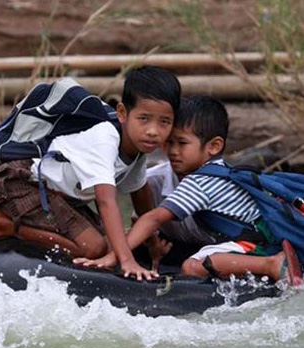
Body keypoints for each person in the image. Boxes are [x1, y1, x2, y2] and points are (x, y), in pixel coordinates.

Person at [0, 65, 181, 281]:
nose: (153, 131)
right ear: (122, 113)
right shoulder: (105, 138)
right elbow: (106, 201)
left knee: (106, 243)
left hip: (56, 197)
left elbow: (139, 192)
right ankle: (3, 223)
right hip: (23, 183)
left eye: (165, 122)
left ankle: (16, 224)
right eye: (144, 119)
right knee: (93, 248)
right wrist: (127, 261)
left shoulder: (138, 148)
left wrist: (152, 241)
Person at [76, 96, 302, 285]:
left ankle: (271, 264)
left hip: (259, 243)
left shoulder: (200, 182)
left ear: (214, 146)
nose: (173, 151)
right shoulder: (221, 171)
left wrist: (114, 255)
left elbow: (154, 218)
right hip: (263, 238)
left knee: (192, 266)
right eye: (169, 143)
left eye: (182, 144)